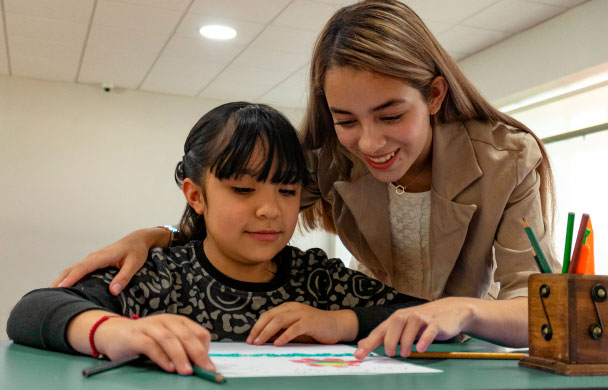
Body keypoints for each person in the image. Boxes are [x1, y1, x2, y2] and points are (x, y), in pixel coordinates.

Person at [50, 0, 560, 359]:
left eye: (389, 116)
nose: (368, 144)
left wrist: (463, 312)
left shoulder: (506, 160)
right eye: (345, 120)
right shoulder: (326, 159)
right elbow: (248, 207)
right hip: (374, 344)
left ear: (433, 95)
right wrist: (158, 236)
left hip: (454, 347)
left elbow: (543, 309)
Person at [7, 102, 425, 375]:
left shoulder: (317, 280)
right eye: (243, 190)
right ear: (196, 195)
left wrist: (340, 321)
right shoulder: (160, 277)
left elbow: (429, 317)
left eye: (286, 190)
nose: (270, 210)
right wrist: (116, 332)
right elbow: (32, 311)